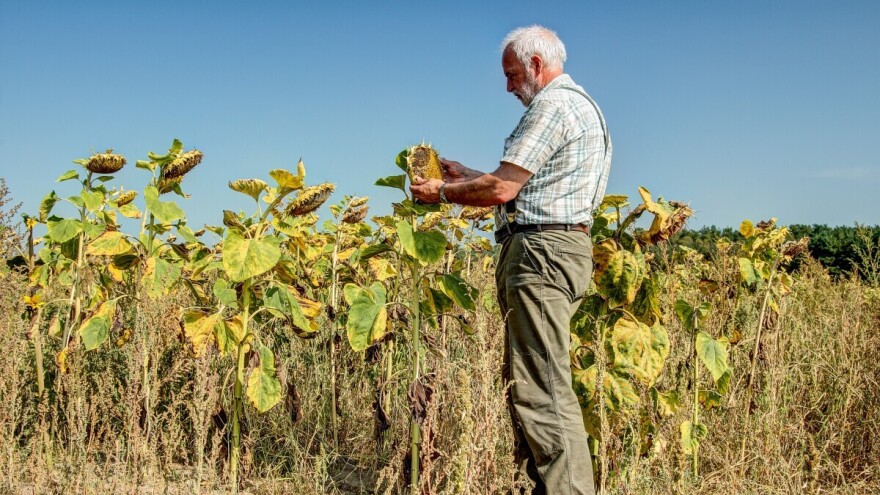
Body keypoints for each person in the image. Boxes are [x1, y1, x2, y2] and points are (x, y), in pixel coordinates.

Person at [410, 25, 611, 495]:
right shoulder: (580, 107)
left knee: (543, 389)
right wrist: (469, 176)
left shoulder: (552, 106)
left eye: (512, 73)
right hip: (557, 248)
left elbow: (502, 190)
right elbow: (524, 187)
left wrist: (441, 192)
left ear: (536, 65)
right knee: (534, 381)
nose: (507, 87)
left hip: (541, 253)